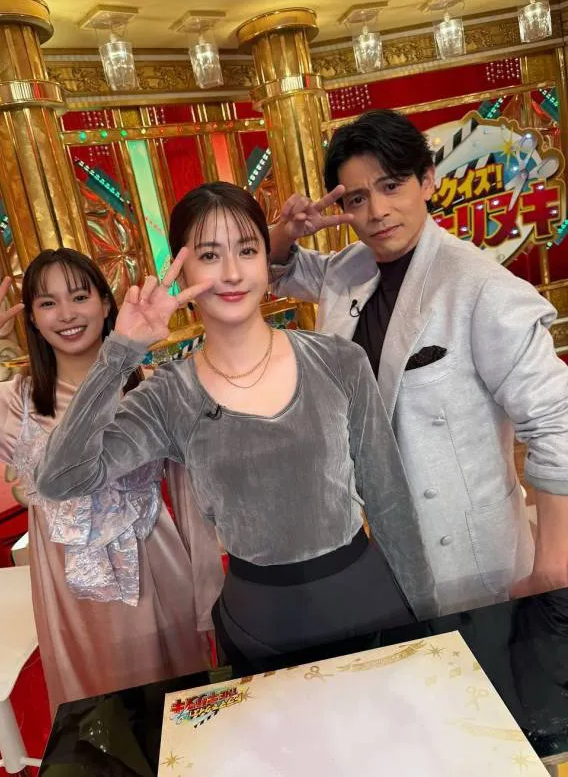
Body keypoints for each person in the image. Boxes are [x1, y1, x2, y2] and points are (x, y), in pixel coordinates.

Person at [37, 183, 438, 669]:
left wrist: (429, 621)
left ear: (265, 261)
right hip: (260, 623)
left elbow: (389, 499)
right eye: (209, 255)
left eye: (247, 250)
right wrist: (120, 353)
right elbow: (61, 479)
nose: (231, 272)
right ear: (182, 270)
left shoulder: (337, 360)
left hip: (367, 601)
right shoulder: (170, 395)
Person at [267, 107, 568, 614]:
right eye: (357, 198)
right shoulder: (348, 270)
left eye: (391, 186)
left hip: (469, 549)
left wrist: (554, 567)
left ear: (427, 180)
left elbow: (556, 421)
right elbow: (277, 271)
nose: (377, 211)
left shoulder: (479, 285)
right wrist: (285, 231)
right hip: (375, 540)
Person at [0, 250, 224, 711]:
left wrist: (209, 604)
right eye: (47, 303)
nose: (66, 314)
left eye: (80, 297)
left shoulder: (153, 388)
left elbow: (192, 501)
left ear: (106, 305)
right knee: (97, 724)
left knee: (178, 714)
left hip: (158, 577)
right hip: (70, 600)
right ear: (33, 320)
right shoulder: (14, 405)